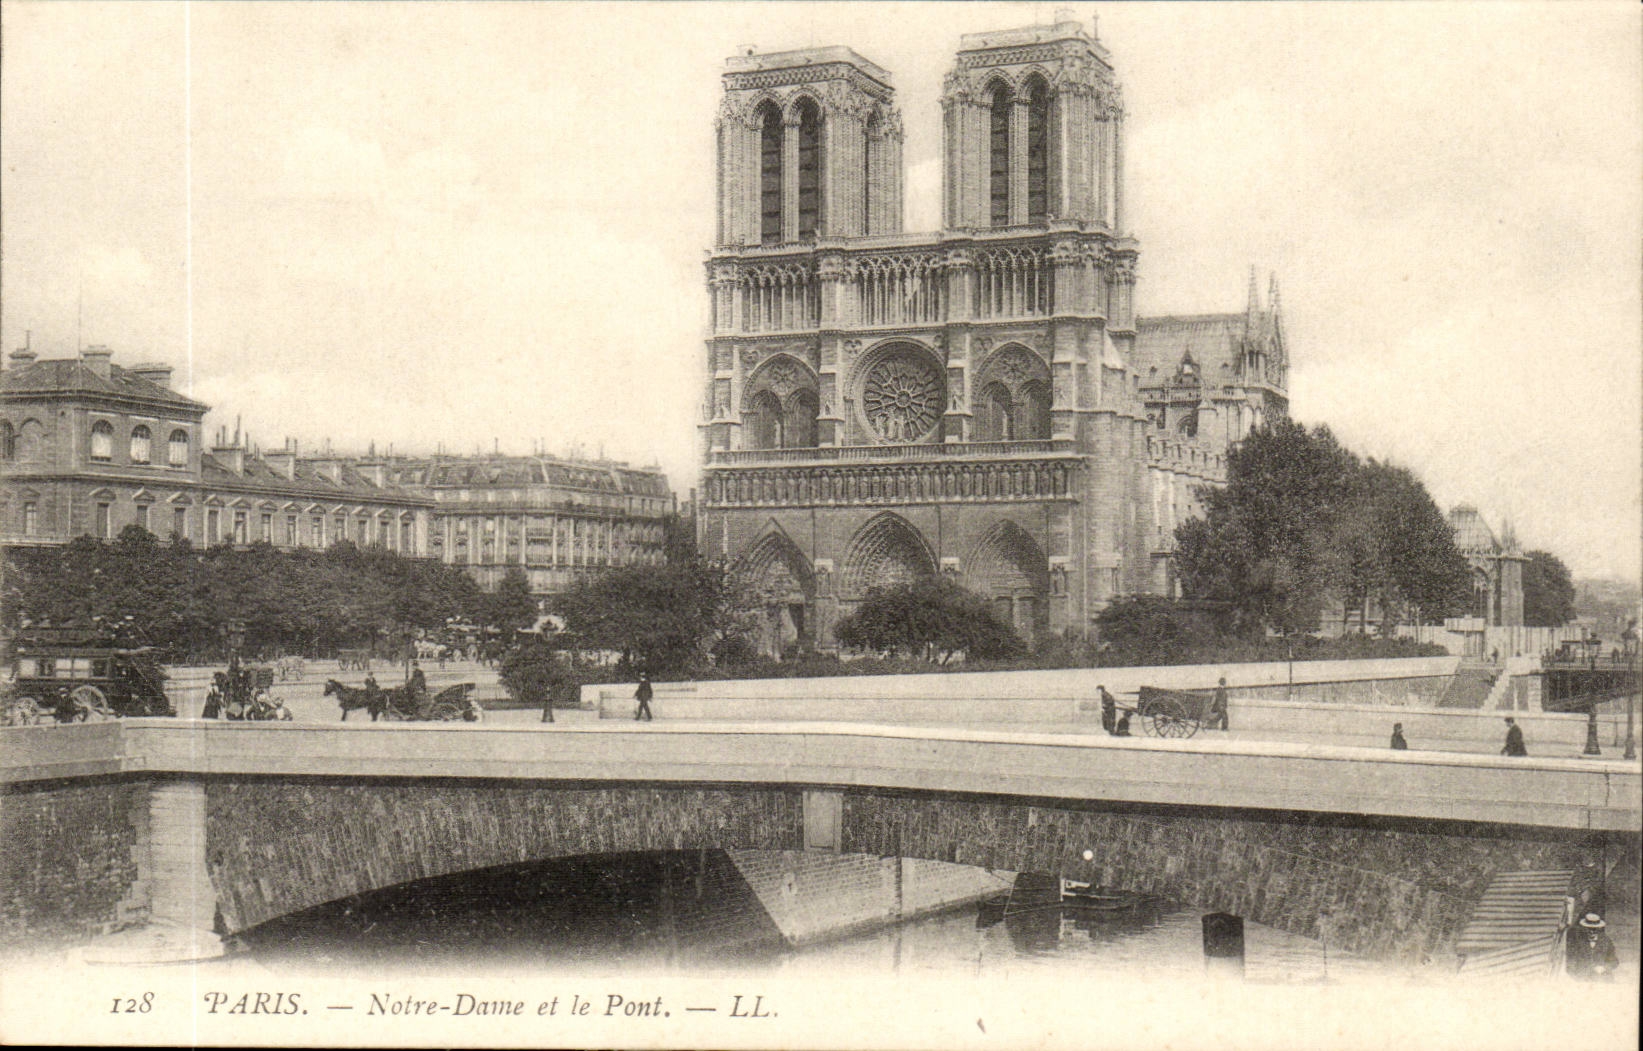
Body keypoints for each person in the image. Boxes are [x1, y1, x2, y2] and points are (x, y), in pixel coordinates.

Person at [1565, 912, 1619, 981]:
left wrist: (1604, 967)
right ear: (1584, 928)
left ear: (1599, 928)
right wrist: (1574, 976)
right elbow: (1571, 961)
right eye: (1589, 928)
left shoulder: (1606, 941)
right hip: (1582, 979)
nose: (1592, 931)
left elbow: (1614, 961)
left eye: (1594, 929)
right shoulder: (1577, 941)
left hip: (1602, 979)